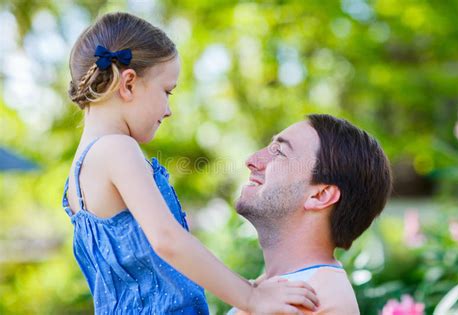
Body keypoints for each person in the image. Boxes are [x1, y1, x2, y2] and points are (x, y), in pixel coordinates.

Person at [61, 12, 319, 314]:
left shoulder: (77, 176)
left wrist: (251, 287)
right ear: (128, 84)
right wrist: (251, 298)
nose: (169, 110)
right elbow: (168, 240)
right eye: (167, 91)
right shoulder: (118, 149)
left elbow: (145, 271)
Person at [230, 114, 392, 314]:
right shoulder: (271, 290)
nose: (252, 161)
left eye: (279, 152)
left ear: (320, 195)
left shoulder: (315, 301)